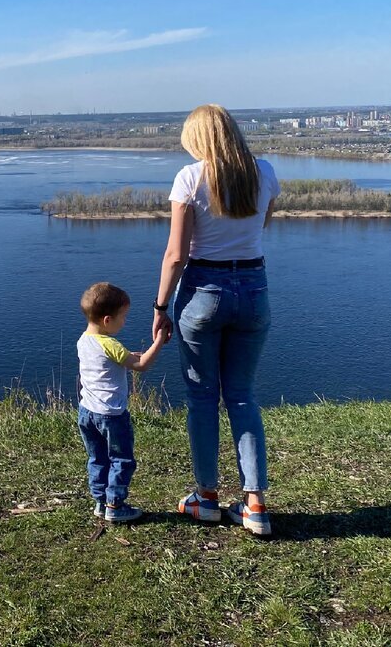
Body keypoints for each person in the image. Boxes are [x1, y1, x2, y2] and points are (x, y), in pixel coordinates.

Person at [152, 104, 281, 536]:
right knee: (242, 396)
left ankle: (206, 499)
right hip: (254, 286)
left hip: (203, 292)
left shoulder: (190, 178)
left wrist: (159, 309)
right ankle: (256, 506)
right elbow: (264, 223)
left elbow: (175, 255)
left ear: (200, 138)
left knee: (203, 399)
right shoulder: (264, 172)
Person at [77, 281, 168, 524]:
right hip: (111, 414)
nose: (124, 322)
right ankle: (115, 505)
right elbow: (141, 366)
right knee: (121, 459)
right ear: (107, 320)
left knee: (97, 458)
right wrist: (158, 341)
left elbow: (113, 362)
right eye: (123, 317)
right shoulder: (111, 344)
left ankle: (100, 501)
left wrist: (131, 357)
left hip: (86, 412)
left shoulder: (84, 340)